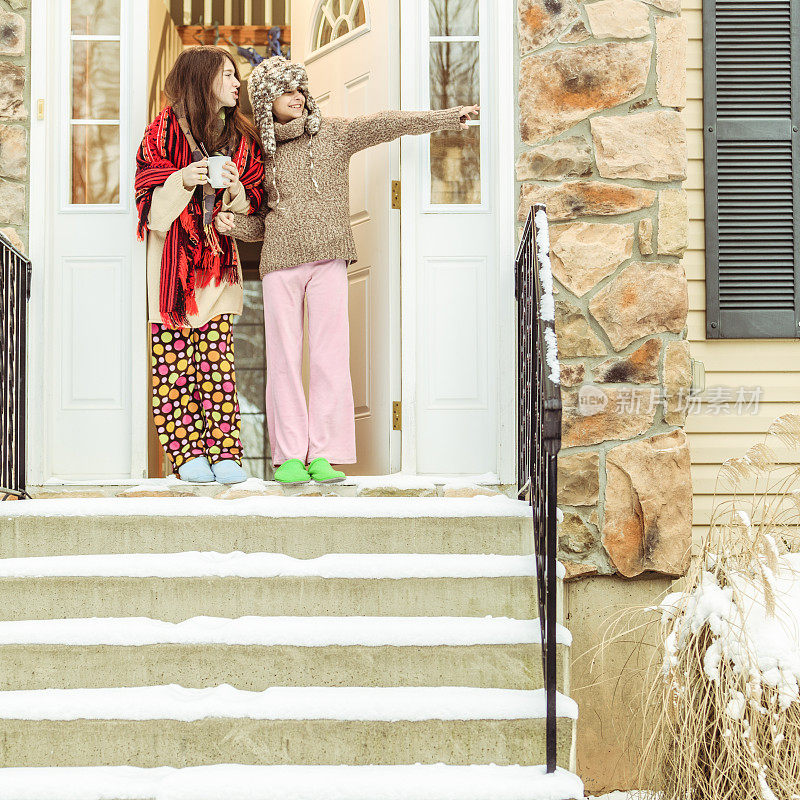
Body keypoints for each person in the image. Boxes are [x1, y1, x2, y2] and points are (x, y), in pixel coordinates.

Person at [217, 55, 478, 486]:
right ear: (265, 99)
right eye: (286, 91)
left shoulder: (334, 134)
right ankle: (288, 458)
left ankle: (324, 453)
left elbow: (386, 122)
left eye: (299, 88)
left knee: (329, 357)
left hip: (329, 260)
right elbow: (262, 222)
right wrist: (236, 226)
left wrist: (449, 116)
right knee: (283, 360)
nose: (297, 97)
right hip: (280, 263)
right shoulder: (259, 155)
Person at [135, 46, 265, 484]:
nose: (236, 83)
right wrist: (182, 178)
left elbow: (253, 202)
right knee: (174, 368)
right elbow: (152, 215)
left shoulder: (242, 140)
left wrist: (235, 192)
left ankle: (225, 452)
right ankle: (185, 453)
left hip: (217, 270)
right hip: (172, 277)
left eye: (236, 75)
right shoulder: (161, 133)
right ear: (202, 79)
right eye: (227, 74)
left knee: (217, 367)